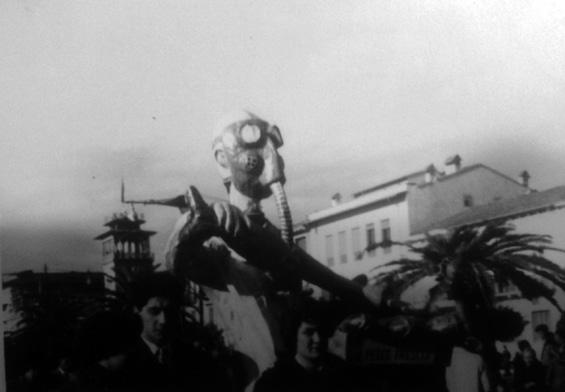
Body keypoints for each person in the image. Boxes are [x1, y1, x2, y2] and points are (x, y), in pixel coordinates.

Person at [123, 273, 229, 392]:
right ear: (137, 310)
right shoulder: (123, 364)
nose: (163, 320)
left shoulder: (197, 360)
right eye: (154, 311)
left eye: (170, 311)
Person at [253, 304, 347, 392]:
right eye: (308, 332)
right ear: (294, 335)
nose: (317, 339)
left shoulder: (340, 374)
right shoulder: (273, 381)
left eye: (322, 331)